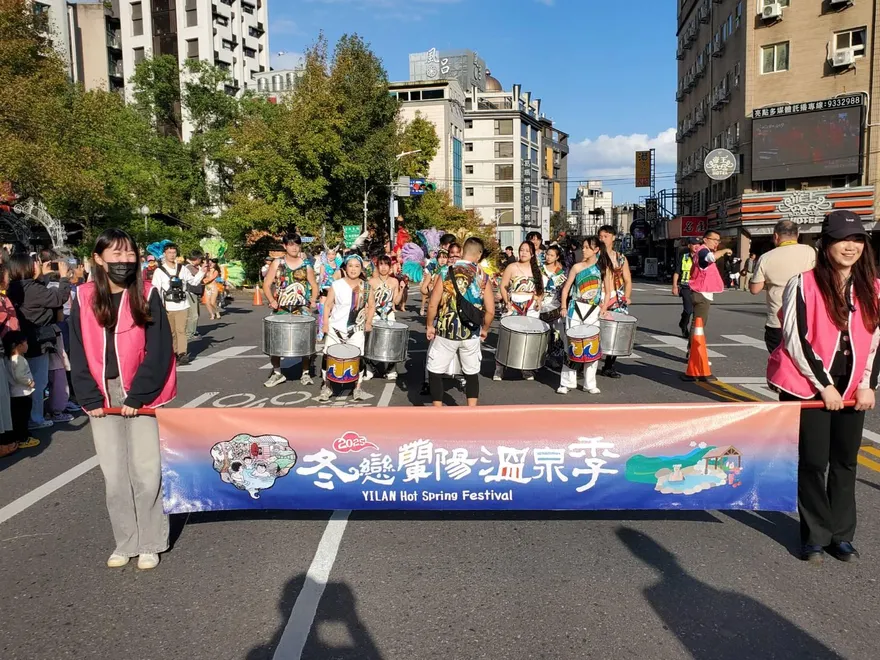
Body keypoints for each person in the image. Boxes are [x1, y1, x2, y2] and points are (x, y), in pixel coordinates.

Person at [766, 210, 880, 564]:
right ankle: (815, 534)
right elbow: (795, 338)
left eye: (858, 239)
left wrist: (867, 384)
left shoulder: (873, 286)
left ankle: (841, 536)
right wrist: (825, 387)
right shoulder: (803, 282)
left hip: (853, 386)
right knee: (814, 462)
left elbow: (876, 338)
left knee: (846, 461)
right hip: (807, 385)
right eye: (843, 240)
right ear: (826, 243)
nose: (851, 246)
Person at [70, 228, 175, 570]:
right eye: (115, 254)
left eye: (129, 254)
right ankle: (125, 541)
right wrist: (87, 394)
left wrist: (139, 393)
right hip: (101, 394)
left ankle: (150, 540)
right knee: (114, 475)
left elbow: (160, 349)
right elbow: (77, 349)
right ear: (98, 259)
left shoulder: (147, 293)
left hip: (141, 393)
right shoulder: (82, 297)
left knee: (146, 471)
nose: (124, 261)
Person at [426, 237, 495, 407]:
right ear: (478, 255)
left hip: (446, 331)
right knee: (471, 373)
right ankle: (471, 410)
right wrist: (484, 329)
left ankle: (437, 409)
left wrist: (429, 325)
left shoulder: (446, 272)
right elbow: (491, 311)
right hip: (471, 332)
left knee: (435, 370)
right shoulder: (483, 277)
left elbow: (433, 303)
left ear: (463, 251)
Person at [6, 252, 71, 429]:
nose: (38, 265)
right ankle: (35, 419)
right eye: (35, 263)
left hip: (23, 339)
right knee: (37, 381)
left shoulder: (16, 287)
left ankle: (30, 417)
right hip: (37, 340)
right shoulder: (33, 289)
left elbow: (38, 293)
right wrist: (64, 278)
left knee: (24, 380)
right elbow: (58, 298)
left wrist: (43, 276)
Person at [750, 220, 817, 353]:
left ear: (776, 236)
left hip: (777, 321)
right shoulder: (811, 252)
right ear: (797, 234)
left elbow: (754, 289)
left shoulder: (766, 258)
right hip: (807, 320)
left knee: (779, 363)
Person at [262, 234, 319, 388]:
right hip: (281, 308)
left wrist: (313, 301)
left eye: (297, 244)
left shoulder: (306, 264)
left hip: (301, 308)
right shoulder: (277, 263)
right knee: (275, 341)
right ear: (285, 246)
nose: (294, 247)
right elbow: (266, 284)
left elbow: (314, 285)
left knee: (305, 341)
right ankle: (277, 372)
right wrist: (272, 301)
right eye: (291, 244)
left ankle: (305, 372)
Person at [558, 237, 613, 395]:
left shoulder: (603, 268)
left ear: (596, 250)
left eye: (588, 247)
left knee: (591, 346)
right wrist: (563, 306)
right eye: (583, 247)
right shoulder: (577, 267)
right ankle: (566, 382)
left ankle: (590, 383)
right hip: (575, 308)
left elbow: (608, 291)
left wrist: (604, 306)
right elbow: (566, 288)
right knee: (571, 346)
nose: (584, 250)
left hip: (593, 310)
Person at [319, 255, 374, 402]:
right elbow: (328, 305)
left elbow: (371, 305)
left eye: (357, 266)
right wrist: (325, 323)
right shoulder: (336, 285)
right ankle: (327, 386)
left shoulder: (366, 287)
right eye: (350, 265)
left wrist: (368, 322)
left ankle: (357, 387)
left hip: (356, 329)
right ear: (345, 268)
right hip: (335, 328)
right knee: (328, 356)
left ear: (361, 269)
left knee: (358, 357)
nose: (353, 269)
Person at [494, 241, 545, 381]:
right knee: (507, 337)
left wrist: (539, 301)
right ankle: (499, 368)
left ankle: (526, 368)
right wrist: (507, 302)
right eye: (521, 250)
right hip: (514, 303)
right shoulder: (512, 267)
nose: (523, 253)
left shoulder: (536, 269)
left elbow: (540, 289)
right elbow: (503, 286)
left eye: (527, 251)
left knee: (528, 336)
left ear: (532, 254)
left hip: (531, 304)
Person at [150, 243, 205, 366]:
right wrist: (158, 306)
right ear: (164, 254)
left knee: (181, 330)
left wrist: (202, 272)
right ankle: (173, 352)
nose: (172, 255)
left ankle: (182, 353)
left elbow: (194, 282)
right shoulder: (159, 271)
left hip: (182, 304)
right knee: (171, 332)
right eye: (169, 252)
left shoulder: (182, 269)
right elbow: (156, 289)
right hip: (167, 305)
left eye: (174, 252)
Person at [597, 225, 632, 379]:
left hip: (616, 297)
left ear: (613, 237)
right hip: (597, 296)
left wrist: (627, 296)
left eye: (605, 236)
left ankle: (609, 365)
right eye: (600, 236)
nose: (602, 239)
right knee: (593, 329)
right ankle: (584, 361)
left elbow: (628, 279)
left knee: (616, 332)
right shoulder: (595, 255)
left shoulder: (620, 258)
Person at [366, 255, 407, 381]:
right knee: (370, 342)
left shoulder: (394, 281)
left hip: (389, 314)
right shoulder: (371, 282)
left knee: (391, 342)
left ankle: (391, 368)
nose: (383, 267)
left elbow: (396, 301)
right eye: (381, 264)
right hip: (374, 314)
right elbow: (368, 303)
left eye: (386, 264)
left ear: (390, 267)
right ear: (377, 266)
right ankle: (369, 367)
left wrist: (401, 289)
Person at [688, 229, 732, 342]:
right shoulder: (703, 251)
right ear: (705, 240)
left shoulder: (703, 251)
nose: (716, 242)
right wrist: (724, 250)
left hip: (700, 291)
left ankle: (693, 352)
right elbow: (710, 257)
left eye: (718, 240)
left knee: (698, 323)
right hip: (702, 293)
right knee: (698, 324)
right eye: (714, 240)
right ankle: (694, 352)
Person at [3, 330, 38, 453]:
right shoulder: (20, 360)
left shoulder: (7, 359)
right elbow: (19, 376)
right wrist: (29, 382)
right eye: (26, 343)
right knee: (23, 417)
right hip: (23, 393)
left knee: (16, 417)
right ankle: (23, 439)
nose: (27, 345)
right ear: (19, 346)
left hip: (13, 393)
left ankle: (19, 436)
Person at [541, 245, 568, 367]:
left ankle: (555, 357)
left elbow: (564, 290)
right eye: (547, 254)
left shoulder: (562, 272)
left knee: (557, 332)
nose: (548, 257)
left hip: (555, 304)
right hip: (540, 304)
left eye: (552, 255)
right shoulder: (539, 269)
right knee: (542, 332)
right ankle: (540, 357)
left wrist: (563, 305)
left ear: (557, 257)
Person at [671, 239, 698, 339]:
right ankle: (683, 324)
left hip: (698, 287)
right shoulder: (684, 257)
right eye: (694, 244)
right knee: (688, 310)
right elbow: (677, 272)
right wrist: (674, 286)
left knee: (697, 311)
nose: (696, 246)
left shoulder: (702, 257)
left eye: (698, 244)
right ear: (689, 246)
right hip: (686, 286)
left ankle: (693, 331)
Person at [184, 250, 205, 340]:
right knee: (193, 314)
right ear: (197, 259)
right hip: (190, 293)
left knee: (195, 314)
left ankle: (192, 331)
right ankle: (190, 333)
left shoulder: (192, 266)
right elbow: (198, 277)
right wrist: (203, 269)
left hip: (193, 293)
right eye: (201, 259)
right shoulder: (188, 267)